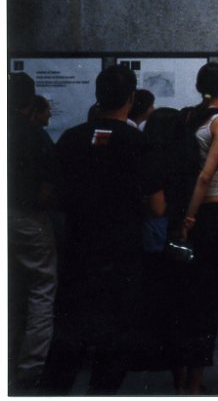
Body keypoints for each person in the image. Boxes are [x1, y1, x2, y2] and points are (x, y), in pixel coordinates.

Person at [40, 65, 165, 394]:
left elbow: (49, 194)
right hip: (123, 251)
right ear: (131, 98)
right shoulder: (138, 142)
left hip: (79, 249)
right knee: (117, 336)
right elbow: (158, 206)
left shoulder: (71, 138)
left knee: (69, 333)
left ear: (97, 95)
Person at [171, 62, 218, 394]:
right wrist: (190, 218)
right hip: (209, 212)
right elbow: (206, 176)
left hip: (182, 209)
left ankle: (179, 381)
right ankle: (194, 384)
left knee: (183, 300)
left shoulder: (188, 117)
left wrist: (181, 216)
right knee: (207, 301)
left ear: (199, 86)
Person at [8, 74, 59, 392]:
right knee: (41, 286)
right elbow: (49, 182)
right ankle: (30, 369)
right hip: (28, 217)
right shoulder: (33, 134)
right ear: (31, 100)